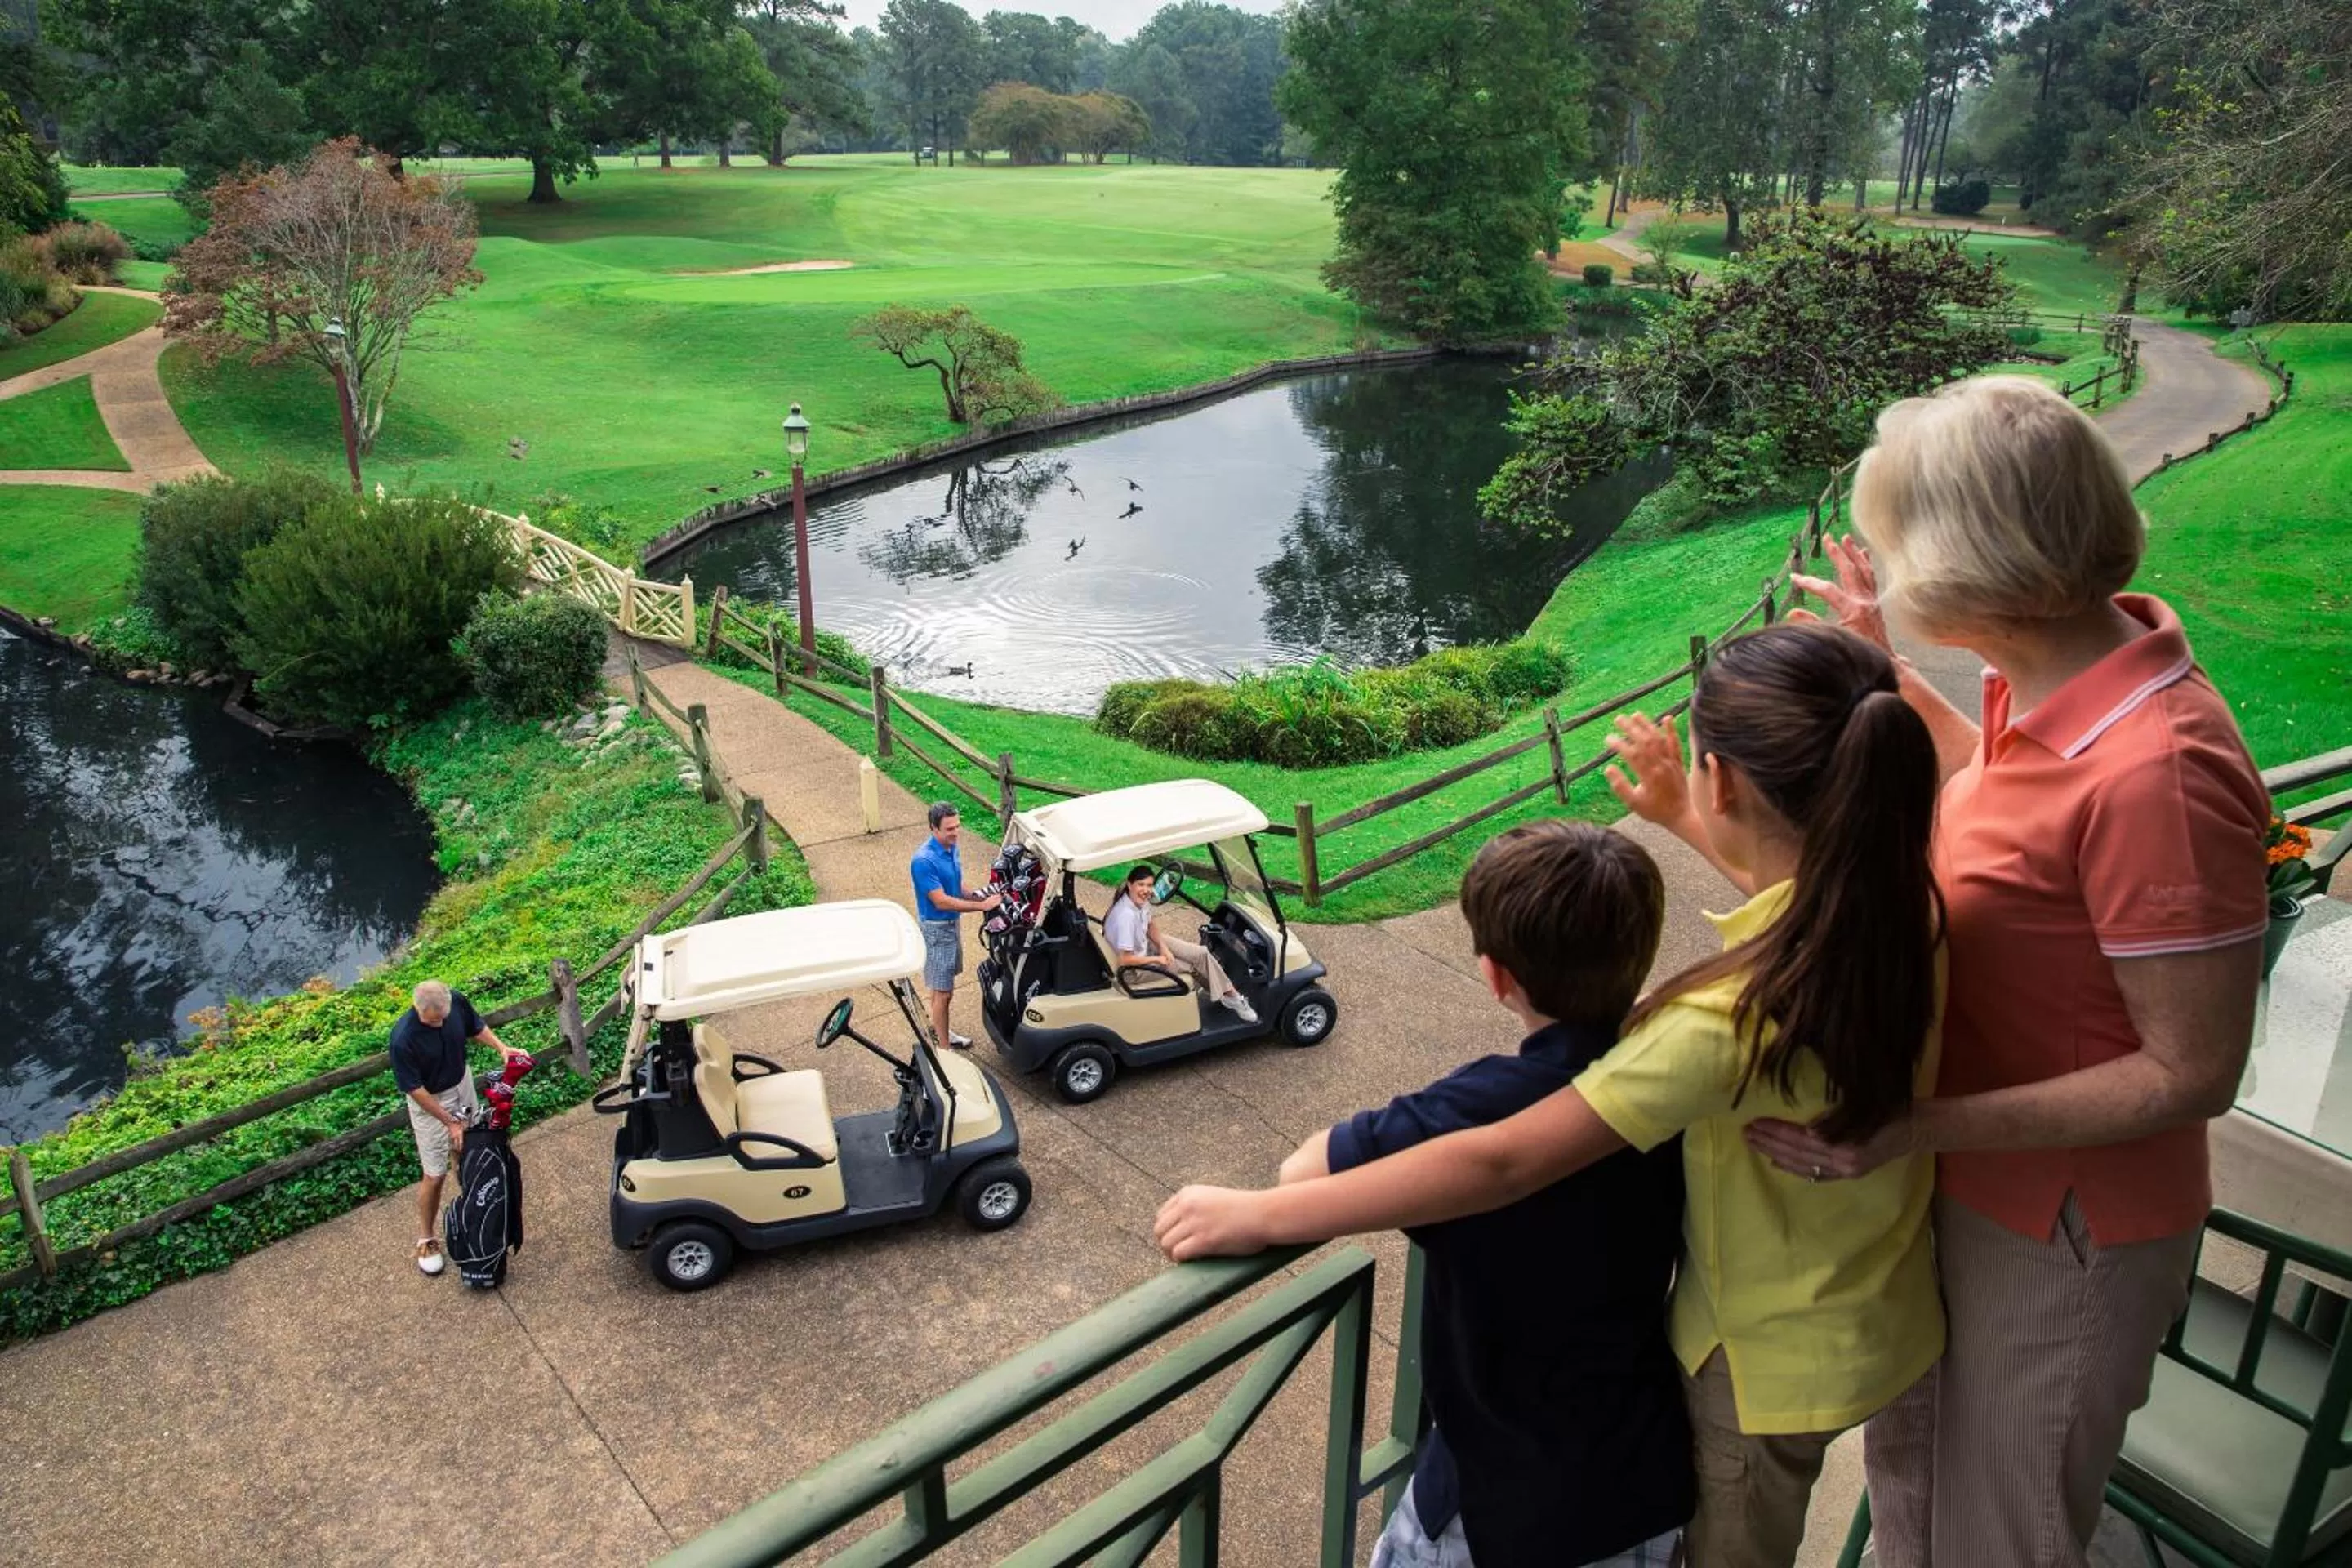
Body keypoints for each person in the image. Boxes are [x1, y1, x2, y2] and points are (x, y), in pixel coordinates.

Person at [1156, 623, 1949, 1568]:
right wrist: (1682, 820)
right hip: (1871, 1313)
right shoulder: (1902, 908)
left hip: (1757, 1368)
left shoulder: (1722, 1024)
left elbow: (1503, 1160)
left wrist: (1261, 1215)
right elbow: (1813, 898)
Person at [1724, 376, 2270, 1566]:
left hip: (2061, 1229)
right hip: (1973, 1186)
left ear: (1977, 569)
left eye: (1897, 545)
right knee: (1915, 1485)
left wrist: (1913, 1126)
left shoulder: (2160, 776)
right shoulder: (2061, 684)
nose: (1889, 569)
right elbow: (2011, 811)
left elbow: (2190, 1071)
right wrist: (1887, 670)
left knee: (2000, 1537)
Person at [1281, 820, 1689, 1567]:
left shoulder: (1481, 1105)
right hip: (1637, 1481)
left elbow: (1302, 1175)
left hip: (1498, 1510)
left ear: (1497, 976)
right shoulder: (1679, 1065)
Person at [391, 978, 529, 1276]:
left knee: (469, 1154)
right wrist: (450, 1121)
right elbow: (415, 1090)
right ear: (418, 1009)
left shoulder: (454, 1001)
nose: (440, 1024)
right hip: (431, 1101)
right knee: (435, 1174)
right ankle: (426, 1239)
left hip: (461, 1084)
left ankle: (473, 1213)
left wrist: (501, 1048)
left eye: (443, 1017)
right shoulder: (403, 1039)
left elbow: (475, 1026)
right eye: (433, 1021)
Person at [1104, 864, 1258, 1023]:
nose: (1146, 890)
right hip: (1132, 971)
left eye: (1149, 885)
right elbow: (1125, 960)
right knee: (1192, 966)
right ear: (1130, 885)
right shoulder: (1126, 916)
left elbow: (1150, 925)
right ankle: (1231, 996)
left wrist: (1164, 948)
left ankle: (1226, 993)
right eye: (1140, 885)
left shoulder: (1139, 900)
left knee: (1201, 953)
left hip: (1143, 945)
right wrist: (1157, 959)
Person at [910, 803, 1000, 1049]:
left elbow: (954, 884)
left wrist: (977, 895)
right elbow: (940, 901)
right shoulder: (923, 861)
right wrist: (982, 907)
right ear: (933, 828)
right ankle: (944, 1049)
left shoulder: (951, 848)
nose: (956, 833)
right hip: (937, 930)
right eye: (949, 829)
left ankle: (939, 1030)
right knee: (944, 993)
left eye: (957, 826)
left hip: (951, 925)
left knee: (939, 988)